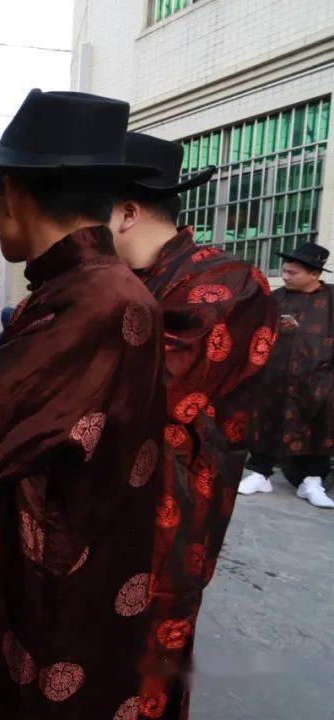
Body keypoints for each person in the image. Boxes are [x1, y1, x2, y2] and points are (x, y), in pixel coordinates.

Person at [0, 90, 165, 719]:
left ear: (15, 196)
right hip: (53, 576)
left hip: (44, 597)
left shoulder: (94, 303)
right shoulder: (84, 290)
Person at [107, 132, 279, 717]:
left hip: (166, 520)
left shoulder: (228, 284)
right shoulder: (121, 281)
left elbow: (142, 394)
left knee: (144, 673)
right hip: (93, 518)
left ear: (127, 212)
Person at [239, 242, 334, 509]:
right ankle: (260, 473)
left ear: (314, 274)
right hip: (275, 377)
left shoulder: (331, 299)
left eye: (293, 273)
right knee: (267, 422)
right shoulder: (276, 298)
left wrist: (301, 330)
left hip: (320, 380)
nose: (286, 276)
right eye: (285, 271)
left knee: (320, 429)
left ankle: (312, 482)